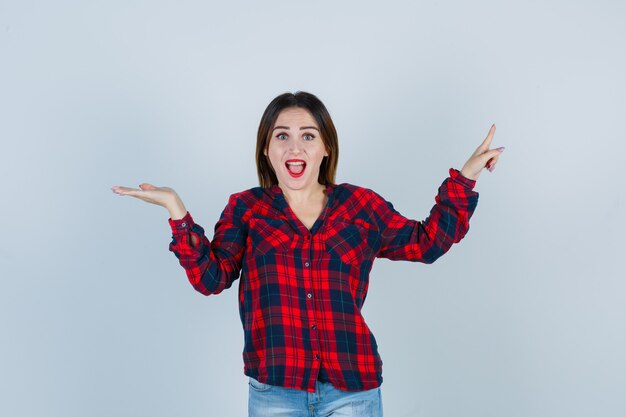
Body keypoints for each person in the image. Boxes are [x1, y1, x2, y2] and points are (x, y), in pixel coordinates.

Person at [111, 91, 503, 417]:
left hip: (353, 389)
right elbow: (210, 279)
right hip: (275, 392)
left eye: (308, 136)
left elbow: (427, 242)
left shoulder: (359, 207)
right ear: (267, 149)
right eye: (281, 136)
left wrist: (466, 177)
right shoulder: (246, 208)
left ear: (326, 146)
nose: (294, 146)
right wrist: (176, 210)